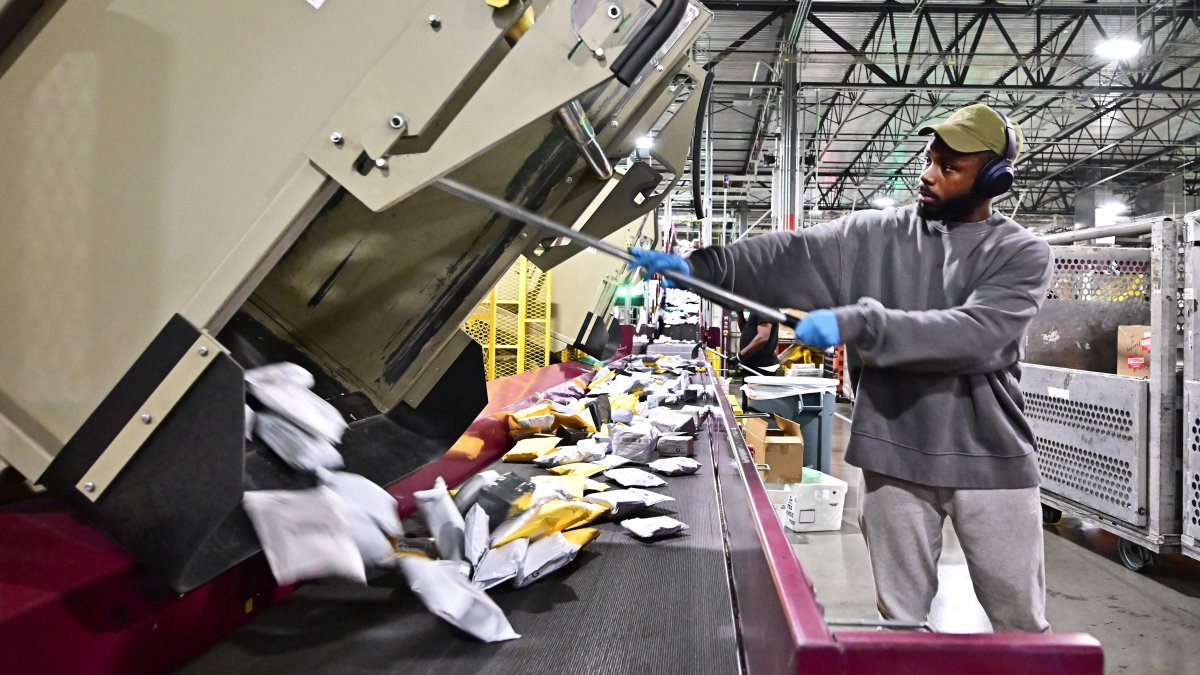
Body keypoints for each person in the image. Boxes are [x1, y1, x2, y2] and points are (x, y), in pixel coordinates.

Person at [630, 103, 1053, 633]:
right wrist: (699, 267)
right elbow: (788, 255)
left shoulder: (1020, 253)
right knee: (902, 623)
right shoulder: (874, 235)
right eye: (929, 158)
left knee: (1020, 625)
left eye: (948, 167)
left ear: (992, 179)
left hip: (991, 460)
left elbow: (974, 335)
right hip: (892, 455)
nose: (927, 174)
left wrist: (860, 323)